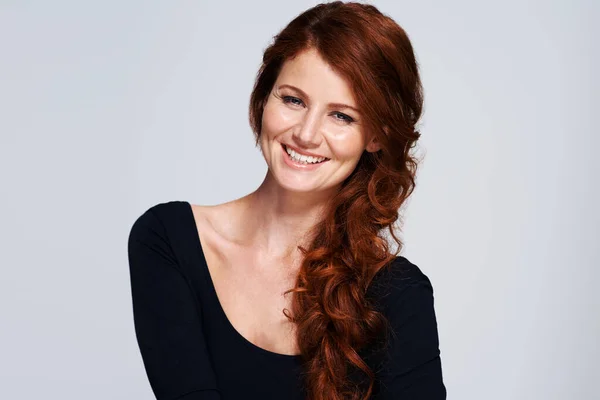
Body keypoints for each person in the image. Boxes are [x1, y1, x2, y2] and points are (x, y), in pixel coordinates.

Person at [127, 1, 446, 399]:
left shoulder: (397, 293)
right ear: (264, 98)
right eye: (293, 100)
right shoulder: (170, 241)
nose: (307, 134)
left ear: (376, 136)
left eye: (342, 116)